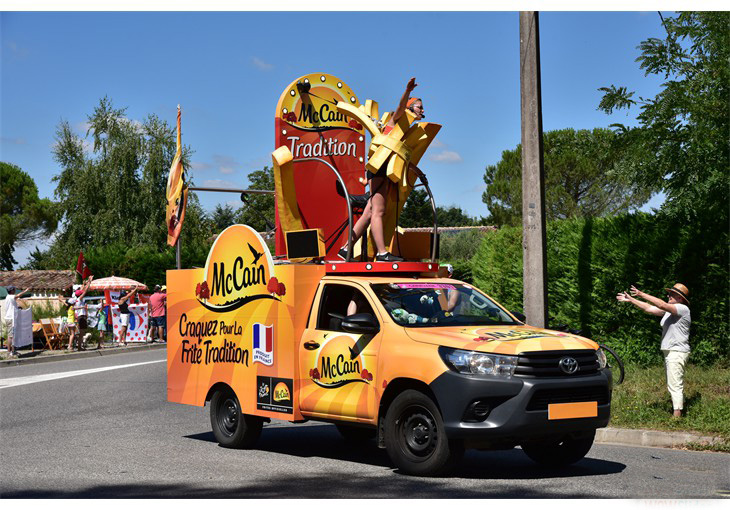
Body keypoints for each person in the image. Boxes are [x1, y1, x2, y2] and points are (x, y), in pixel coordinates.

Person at [338, 77, 427, 263]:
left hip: (382, 171)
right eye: (420, 107)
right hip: (378, 169)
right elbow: (401, 106)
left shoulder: (404, 131)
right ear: (410, 108)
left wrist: (415, 170)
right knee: (379, 211)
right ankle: (382, 252)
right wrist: (407, 91)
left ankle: (345, 248)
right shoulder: (398, 120)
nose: (423, 110)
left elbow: (398, 155)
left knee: (370, 212)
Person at [616, 283, 691, 418]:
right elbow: (650, 308)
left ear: (680, 298)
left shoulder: (682, 309)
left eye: (672, 295)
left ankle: (677, 415)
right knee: (673, 383)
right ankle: (678, 408)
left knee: (675, 384)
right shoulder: (670, 312)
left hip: (677, 351)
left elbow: (661, 305)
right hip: (671, 351)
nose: (668, 296)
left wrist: (641, 293)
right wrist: (631, 300)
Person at [65, 276, 93, 350]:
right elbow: (85, 290)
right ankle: (79, 347)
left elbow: (82, 289)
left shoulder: (75, 299)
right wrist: (89, 282)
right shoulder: (79, 299)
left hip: (80, 316)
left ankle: (80, 346)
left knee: (81, 333)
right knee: (81, 333)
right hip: (81, 316)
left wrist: (84, 284)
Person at [3, 286, 30, 357]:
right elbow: (17, 296)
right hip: (11, 318)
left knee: (13, 335)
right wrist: (25, 291)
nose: (15, 291)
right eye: (14, 290)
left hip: (10, 318)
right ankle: (9, 352)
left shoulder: (8, 297)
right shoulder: (11, 297)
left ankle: (12, 350)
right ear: (11, 291)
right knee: (11, 336)